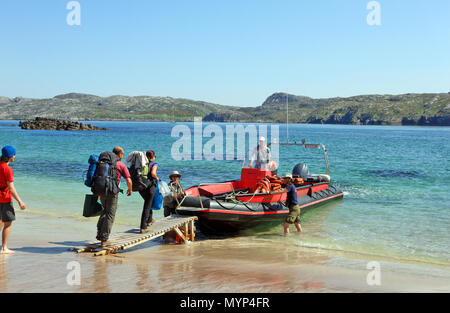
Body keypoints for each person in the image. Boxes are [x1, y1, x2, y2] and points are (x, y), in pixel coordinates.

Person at [96, 146, 132, 246]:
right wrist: (130, 189)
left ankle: (99, 234)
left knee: (104, 211)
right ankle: (104, 239)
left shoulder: (104, 163)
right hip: (113, 193)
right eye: (123, 154)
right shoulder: (121, 164)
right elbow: (128, 180)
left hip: (101, 190)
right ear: (119, 154)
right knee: (110, 215)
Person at [0, 146, 26, 254]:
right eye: (14, 155)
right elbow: (11, 188)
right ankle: (4, 248)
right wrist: (20, 201)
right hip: (5, 199)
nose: (15, 156)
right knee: (8, 223)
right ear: (11, 157)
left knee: (0, 221)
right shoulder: (8, 170)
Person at [139, 150, 158, 233]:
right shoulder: (154, 164)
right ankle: (143, 227)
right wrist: (157, 179)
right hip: (150, 187)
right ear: (153, 157)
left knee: (148, 203)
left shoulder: (142, 164)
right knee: (147, 206)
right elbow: (153, 173)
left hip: (141, 187)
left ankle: (149, 220)